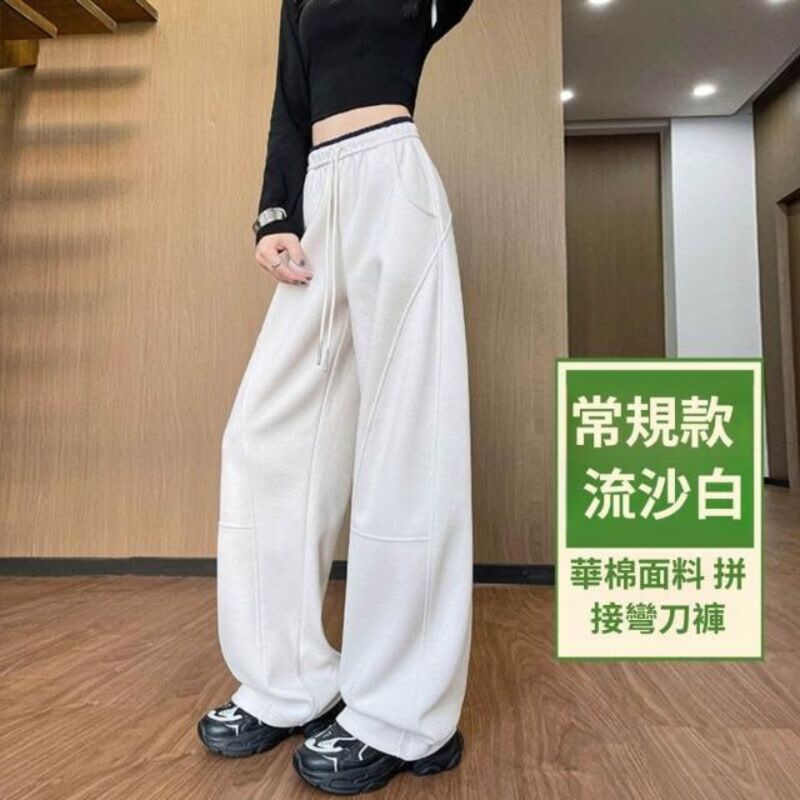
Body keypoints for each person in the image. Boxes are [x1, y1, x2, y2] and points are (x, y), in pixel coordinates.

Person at [197, 0, 475, 793]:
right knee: (265, 437)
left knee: (407, 442)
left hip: (395, 183)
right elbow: (289, 103)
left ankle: (403, 713)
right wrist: (275, 215)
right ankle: (289, 681)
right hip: (319, 194)